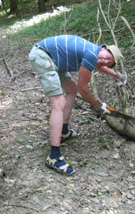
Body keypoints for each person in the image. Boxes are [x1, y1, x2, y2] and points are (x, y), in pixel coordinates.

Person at [28, 35, 127, 175]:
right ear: (104, 48)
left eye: (108, 62)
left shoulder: (94, 52)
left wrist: (116, 74)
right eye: (106, 57)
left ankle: (64, 132)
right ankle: (54, 157)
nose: (104, 61)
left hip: (55, 59)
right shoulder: (92, 54)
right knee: (59, 103)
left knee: (71, 89)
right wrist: (96, 104)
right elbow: (83, 88)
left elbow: (98, 65)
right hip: (43, 56)